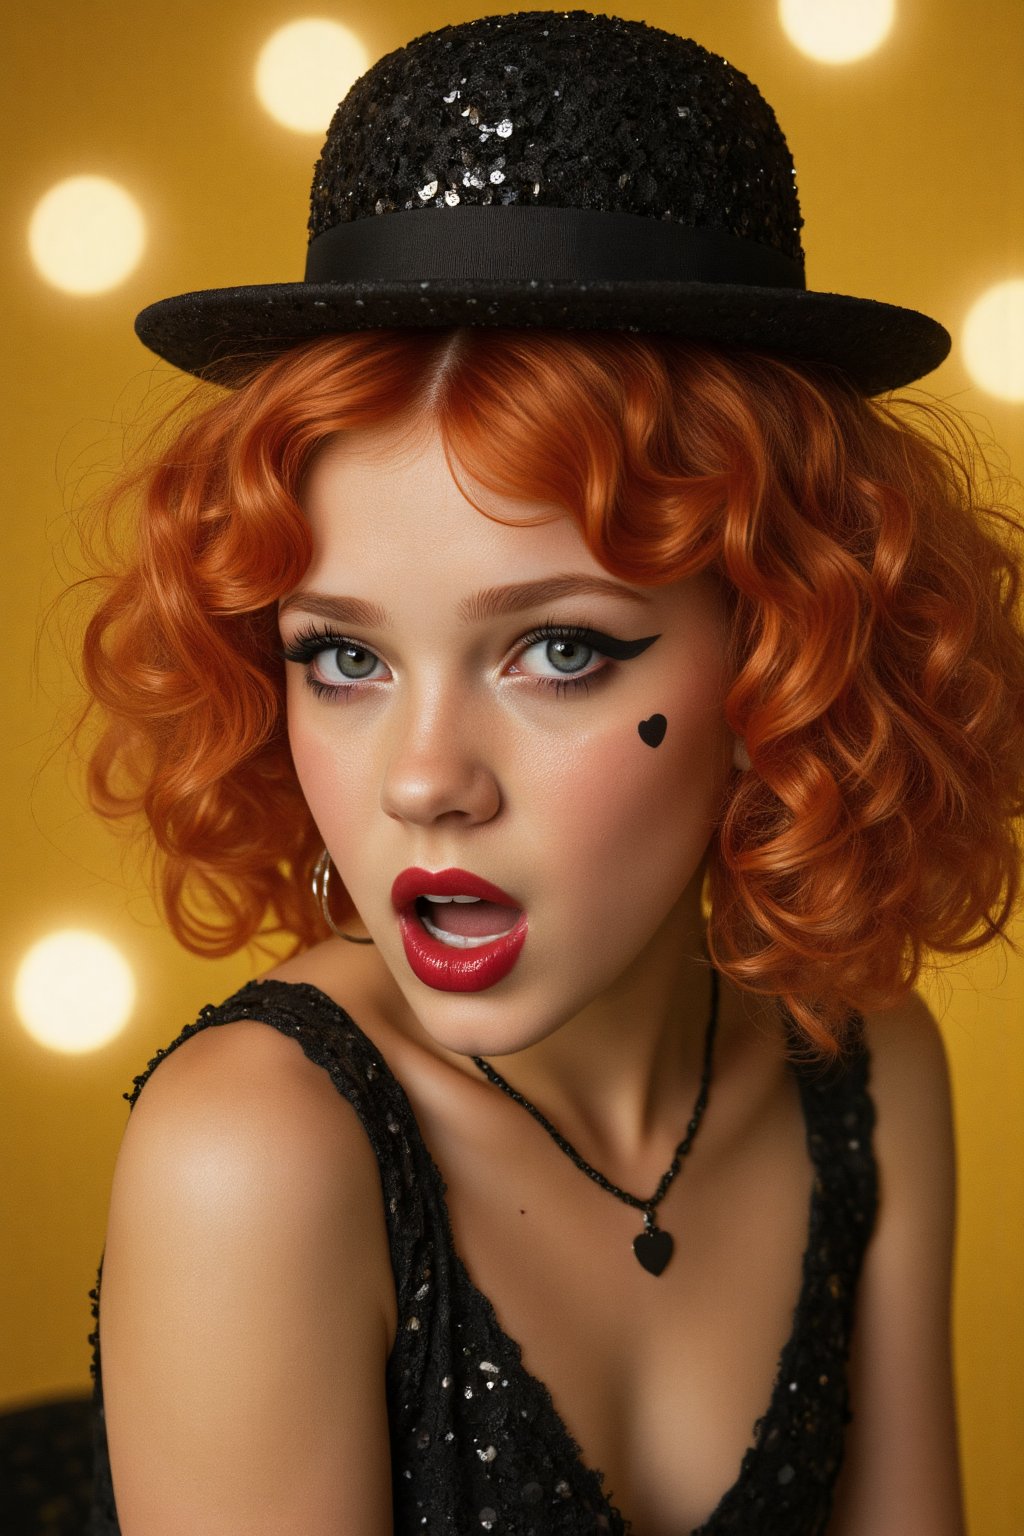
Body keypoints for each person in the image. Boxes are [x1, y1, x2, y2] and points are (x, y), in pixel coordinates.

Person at [78, 11, 1024, 1535]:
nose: (425, 782)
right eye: (343, 655)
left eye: (561, 652)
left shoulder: (864, 1062)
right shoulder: (253, 1157)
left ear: (786, 659)